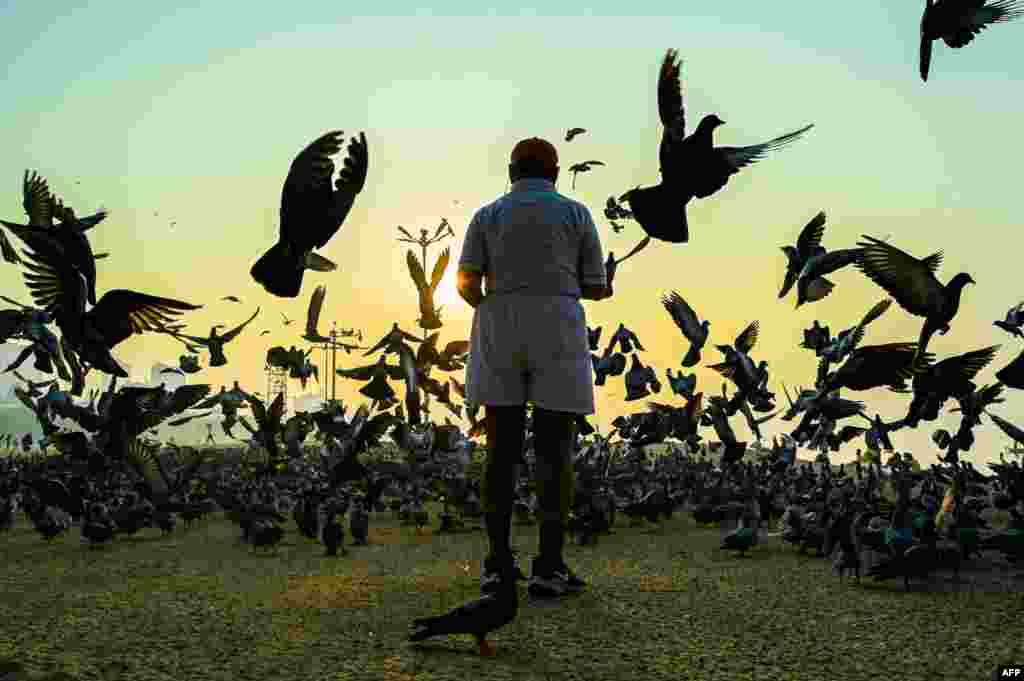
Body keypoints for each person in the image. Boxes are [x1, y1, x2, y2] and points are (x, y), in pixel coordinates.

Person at [456, 136, 613, 599]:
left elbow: (465, 281)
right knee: (554, 451)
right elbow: (594, 286)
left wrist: (490, 307)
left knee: (501, 451)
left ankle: (498, 564)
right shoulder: (576, 214)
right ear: (556, 174)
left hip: (500, 322)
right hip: (558, 326)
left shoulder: (487, 215)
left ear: (511, 172)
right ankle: (549, 565)